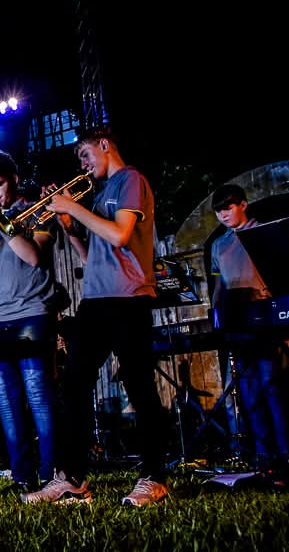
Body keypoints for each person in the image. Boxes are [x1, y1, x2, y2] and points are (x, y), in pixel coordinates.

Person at [22, 127, 172, 507]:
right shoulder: (103, 193)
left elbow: (121, 235)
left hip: (129, 297)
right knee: (73, 384)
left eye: (85, 155)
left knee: (138, 386)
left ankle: (154, 476)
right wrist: (69, 227)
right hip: (97, 299)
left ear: (105, 145)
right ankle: (72, 478)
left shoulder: (130, 179)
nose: (84, 165)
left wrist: (74, 208)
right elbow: (94, 256)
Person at [0, 150, 59, 492]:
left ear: (14, 180)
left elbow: (33, 257)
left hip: (32, 313)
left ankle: (51, 475)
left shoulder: (38, 211)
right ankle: (22, 477)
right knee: (7, 402)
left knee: (40, 399)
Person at [209, 183, 289, 471]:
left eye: (228, 207)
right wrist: (217, 315)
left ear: (243, 205)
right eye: (218, 211)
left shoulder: (262, 232)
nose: (223, 214)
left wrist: (286, 321)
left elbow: (280, 276)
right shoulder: (218, 245)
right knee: (249, 390)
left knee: (271, 386)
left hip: (264, 315)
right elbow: (219, 284)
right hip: (236, 319)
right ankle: (263, 454)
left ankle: (286, 452)